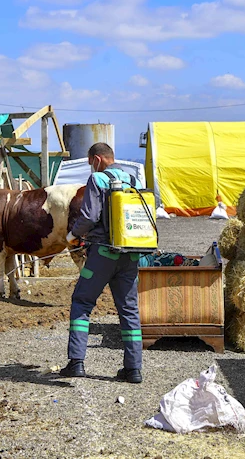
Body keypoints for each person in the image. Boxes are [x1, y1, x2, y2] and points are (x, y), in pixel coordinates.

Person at [60, 142, 144, 384]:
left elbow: (89, 217)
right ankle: (133, 369)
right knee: (129, 310)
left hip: (103, 254)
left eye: (90, 163)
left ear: (96, 159)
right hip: (130, 255)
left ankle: (76, 362)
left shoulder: (97, 180)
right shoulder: (134, 181)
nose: (90, 168)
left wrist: (72, 235)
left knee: (82, 301)